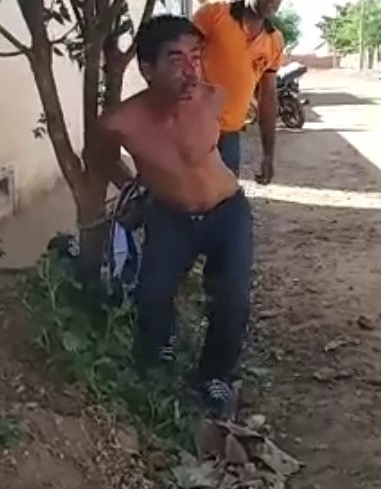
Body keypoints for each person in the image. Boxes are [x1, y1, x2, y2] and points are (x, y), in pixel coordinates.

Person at [85, 15, 253, 419]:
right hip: (170, 216)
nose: (191, 70)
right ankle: (158, 353)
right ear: (147, 69)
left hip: (227, 211)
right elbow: (100, 159)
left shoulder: (214, 98)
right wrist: (136, 187)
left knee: (232, 299)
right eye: (176, 60)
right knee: (152, 294)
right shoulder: (120, 122)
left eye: (195, 56)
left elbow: (218, 147)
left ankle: (214, 376)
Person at [193, 0, 285, 182]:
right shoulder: (214, 14)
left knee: (225, 194)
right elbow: (181, 57)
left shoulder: (274, 41)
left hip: (230, 136)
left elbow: (267, 97)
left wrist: (268, 155)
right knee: (184, 193)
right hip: (193, 129)